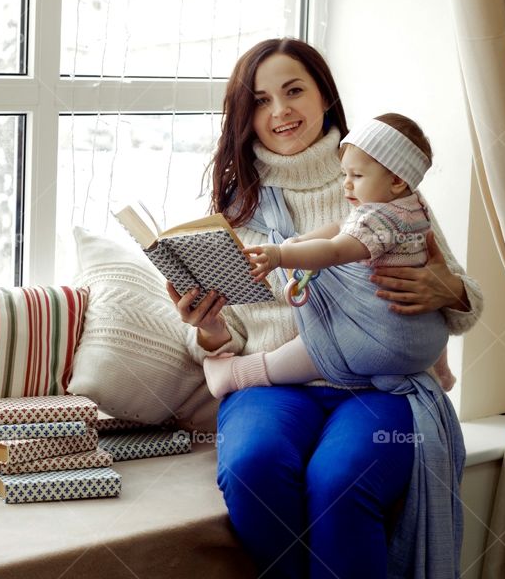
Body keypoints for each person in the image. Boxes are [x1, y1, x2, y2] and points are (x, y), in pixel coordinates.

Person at [166, 38, 483, 578]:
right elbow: (229, 337)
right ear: (247, 116)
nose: (280, 111)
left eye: (294, 92)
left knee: (342, 481)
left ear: (326, 99)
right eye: (262, 101)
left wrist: (449, 291)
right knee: (252, 470)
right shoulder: (237, 207)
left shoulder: (382, 184)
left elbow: (462, 300)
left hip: (374, 387)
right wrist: (212, 327)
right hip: (272, 390)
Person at [201, 113, 458, 399]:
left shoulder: (379, 219)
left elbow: (336, 250)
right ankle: (443, 371)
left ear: (397, 180)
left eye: (357, 176)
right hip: (427, 342)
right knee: (432, 317)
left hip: (383, 340)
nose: (346, 184)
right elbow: (341, 226)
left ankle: (237, 373)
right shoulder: (412, 207)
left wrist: (280, 254)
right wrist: (301, 240)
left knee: (316, 348)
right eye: (344, 174)